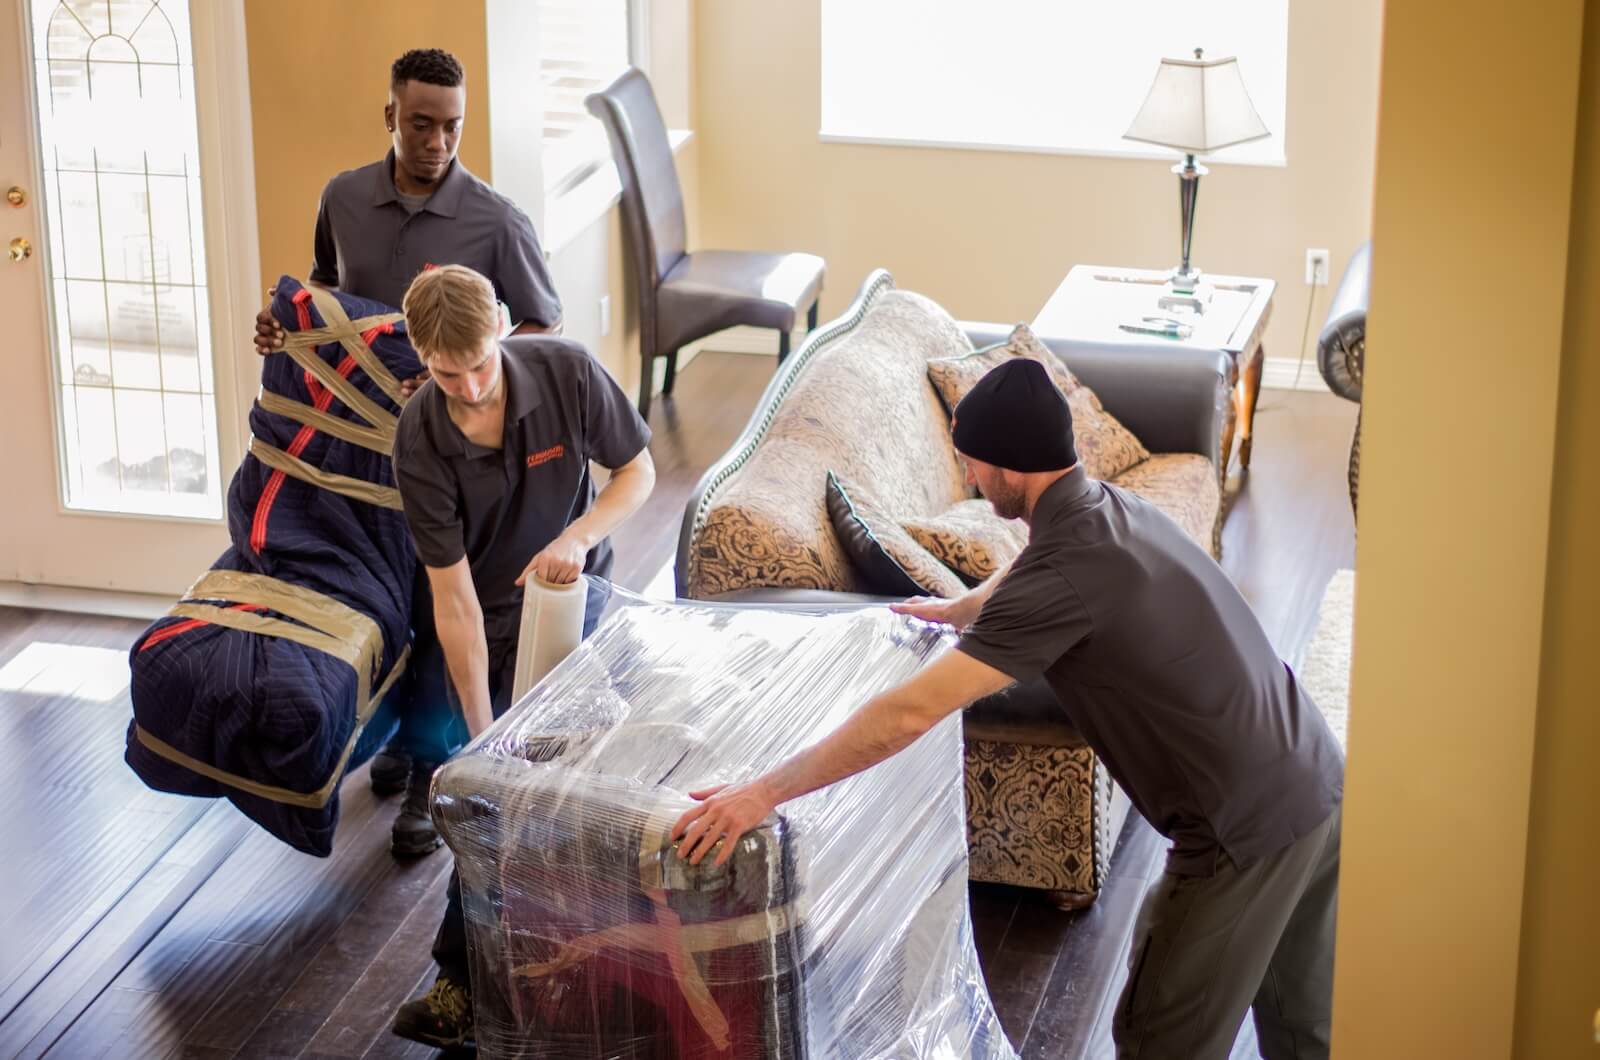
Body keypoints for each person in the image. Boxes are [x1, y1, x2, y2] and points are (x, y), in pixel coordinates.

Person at [672, 358, 1346, 1060]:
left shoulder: (1065, 569)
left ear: (1011, 468)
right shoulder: (1106, 509)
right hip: (1316, 774)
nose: (968, 477)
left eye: (973, 463)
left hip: (1243, 831)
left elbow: (908, 715)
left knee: (1160, 1037)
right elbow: (1035, 562)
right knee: (1304, 1032)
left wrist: (762, 793)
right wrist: (963, 608)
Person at [253, 47, 565, 857]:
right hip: (356, 451)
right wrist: (285, 327)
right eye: (422, 124)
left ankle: (434, 770)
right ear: (390, 114)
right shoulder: (342, 198)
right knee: (382, 593)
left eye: (453, 127)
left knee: (440, 605)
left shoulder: (497, 222)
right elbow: (327, 295)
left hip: (453, 452)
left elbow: (542, 325)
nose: (438, 142)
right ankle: (400, 740)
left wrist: (459, 375)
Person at [384, 264, 653, 1048]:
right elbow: (454, 602)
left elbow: (637, 472)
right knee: (496, 802)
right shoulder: (419, 439)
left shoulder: (568, 372)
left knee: (581, 793)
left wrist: (577, 537)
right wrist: (483, 740)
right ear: (421, 357)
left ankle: (585, 972)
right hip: (488, 620)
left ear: (501, 326)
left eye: (479, 365)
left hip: (575, 602)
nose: (469, 389)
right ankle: (464, 985)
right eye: (446, 374)